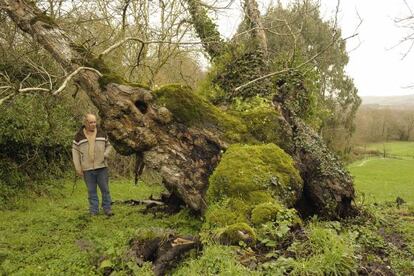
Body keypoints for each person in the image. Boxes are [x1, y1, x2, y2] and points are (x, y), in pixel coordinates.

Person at [72, 113, 113, 216]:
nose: (93, 124)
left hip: (101, 166)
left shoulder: (102, 133)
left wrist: (106, 154)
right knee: (91, 191)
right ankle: (94, 210)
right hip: (87, 168)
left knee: (105, 189)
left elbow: (109, 145)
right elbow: (75, 153)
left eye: (95, 122)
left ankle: (107, 208)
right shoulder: (78, 136)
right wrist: (78, 168)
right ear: (85, 123)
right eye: (91, 122)